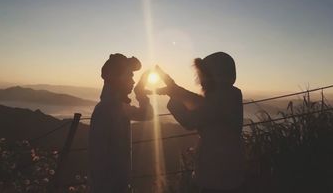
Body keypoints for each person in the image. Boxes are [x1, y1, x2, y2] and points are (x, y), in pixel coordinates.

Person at [156, 52, 245, 193]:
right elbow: (201, 102)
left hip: (218, 175)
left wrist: (173, 95)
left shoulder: (220, 98)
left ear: (214, 75)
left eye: (203, 74)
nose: (200, 80)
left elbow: (189, 120)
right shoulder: (229, 94)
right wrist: (174, 88)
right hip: (227, 171)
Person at [88, 53, 154, 193]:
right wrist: (141, 93)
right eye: (129, 75)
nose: (133, 81)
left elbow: (147, 114)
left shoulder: (114, 106)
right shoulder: (110, 108)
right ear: (116, 78)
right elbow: (148, 114)